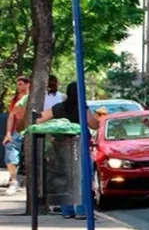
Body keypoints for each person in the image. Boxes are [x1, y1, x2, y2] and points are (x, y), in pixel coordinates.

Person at [37, 82, 101, 218]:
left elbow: (38, 119)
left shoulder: (58, 108)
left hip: (61, 143)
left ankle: (67, 210)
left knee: (65, 175)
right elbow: (94, 125)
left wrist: (53, 129)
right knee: (83, 177)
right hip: (80, 141)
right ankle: (82, 210)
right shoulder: (83, 107)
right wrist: (98, 119)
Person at [3, 76, 30, 195]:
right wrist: (8, 133)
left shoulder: (34, 97)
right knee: (10, 147)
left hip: (32, 127)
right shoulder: (15, 99)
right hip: (18, 129)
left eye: (20, 84)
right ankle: (13, 180)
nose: (18, 87)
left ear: (27, 84)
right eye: (17, 84)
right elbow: (11, 115)